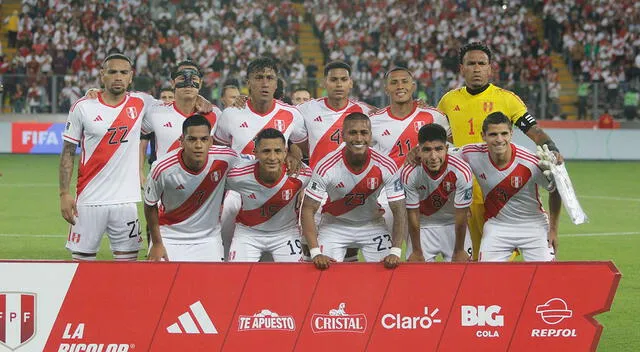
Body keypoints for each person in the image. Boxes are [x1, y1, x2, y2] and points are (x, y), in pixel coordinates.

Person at [437, 42, 563, 260]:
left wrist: (553, 150)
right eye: (471, 63)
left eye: (481, 64)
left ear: (490, 68)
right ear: (462, 68)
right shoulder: (449, 100)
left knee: (500, 256)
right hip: (463, 192)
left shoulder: (507, 99)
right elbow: (441, 137)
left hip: (498, 193)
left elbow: (534, 131)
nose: (476, 68)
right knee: (472, 260)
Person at [59, 53, 156, 261]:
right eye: (112, 72)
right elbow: (68, 151)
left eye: (123, 72)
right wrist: (64, 194)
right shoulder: (83, 106)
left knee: (128, 271)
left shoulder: (141, 103)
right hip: (88, 201)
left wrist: (201, 100)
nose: (118, 77)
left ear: (131, 76)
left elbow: (175, 105)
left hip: (126, 203)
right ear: (102, 75)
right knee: (82, 269)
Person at [214, 57, 307, 260]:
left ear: (276, 82)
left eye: (269, 78)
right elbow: (219, 151)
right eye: (258, 78)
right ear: (248, 82)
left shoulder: (292, 114)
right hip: (241, 188)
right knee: (229, 209)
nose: (264, 83)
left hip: (278, 187)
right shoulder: (230, 114)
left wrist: (292, 152)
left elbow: (301, 147)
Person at [301, 112, 406, 270]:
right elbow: (308, 208)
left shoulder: (386, 165)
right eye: (352, 133)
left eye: (364, 133)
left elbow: (399, 209)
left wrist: (396, 251)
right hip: (334, 225)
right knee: (325, 273)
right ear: (342, 135)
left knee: (386, 273)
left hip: (372, 224)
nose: (358, 139)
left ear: (370, 136)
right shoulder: (326, 166)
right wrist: (315, 252)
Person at [297, 61, 374, 262]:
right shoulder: (306, 109)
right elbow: (288, 131)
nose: (338, 84)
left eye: (343, 79)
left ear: (351, 83)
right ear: (324, 83)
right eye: (333, 80)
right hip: (318, 189)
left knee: (349, 251)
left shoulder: (365, 112)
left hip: (351, 189)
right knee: (309, 251)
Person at [460, 112, 561, 262]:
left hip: (534, 226)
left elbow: (555, 192)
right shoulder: (470, 153)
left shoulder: (531, 162)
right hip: (497, 225)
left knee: (546, 278)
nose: (499, 139)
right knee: (485, 278)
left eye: (504, 133)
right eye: (493, 134)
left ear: (511, 134)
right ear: (483, 136)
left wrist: (553, 230)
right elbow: (443, 158)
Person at [144, 115, 240, 261]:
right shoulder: (162, 168)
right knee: (160, 282)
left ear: (211, 141)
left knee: (213, 283)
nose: (198, 145)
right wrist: (157, 243)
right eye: (192, 139)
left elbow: (252, 169)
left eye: (204, 139)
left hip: (208, 239)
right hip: (169, 236)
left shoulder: (227, 158)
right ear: (181, 141)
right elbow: (150, 205)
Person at [226, 128, 312, 262]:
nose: (272, 158)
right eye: (266, 151)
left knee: (296, 280)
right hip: (248, 233)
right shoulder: (237, 176)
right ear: (255, 153)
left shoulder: (302, 174)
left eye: (277, 151)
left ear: (285, 152)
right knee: (237, 278)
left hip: (286, 233)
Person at [140, 60, 222, 186]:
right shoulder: (155, 112)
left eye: (193, 78)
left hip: (201, 189)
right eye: (182, 78)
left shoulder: (215, 113)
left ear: (200, 83)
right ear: (173, 83)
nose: (188, 83)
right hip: (165, 190)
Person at [401, 124, 472, 262]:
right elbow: (412, 214)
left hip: (453, 226)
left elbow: (462, 215)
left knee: (462, 276)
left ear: (446, 148)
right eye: (427, 150)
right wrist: (416, 251)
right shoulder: (410, 172)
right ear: (419, 150)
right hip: (423, 227)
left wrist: (459, 250)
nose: (433, 156)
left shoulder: (461, 170)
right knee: (417, 278)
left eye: (438, 149)